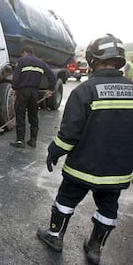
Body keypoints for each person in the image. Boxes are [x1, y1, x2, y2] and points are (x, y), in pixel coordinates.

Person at [36, 34, 133, 264]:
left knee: (66, 200)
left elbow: (69, 135)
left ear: (92, 59)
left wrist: (54, 151)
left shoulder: (85, 91)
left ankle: (55, 236)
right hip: (117, 171)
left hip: (82, 167)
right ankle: (94, 248)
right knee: (109, 206)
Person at [10, 46, 56, 148]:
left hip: (23, 92)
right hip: (34, 93)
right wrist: (50, 89)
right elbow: (52, 76)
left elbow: (16, 77)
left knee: (20, 115)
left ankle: (20, 141)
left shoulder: (21, 61)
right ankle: (33, 140)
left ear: (25, 52)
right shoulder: (41, 63)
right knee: (33, 116)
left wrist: (14, 88)